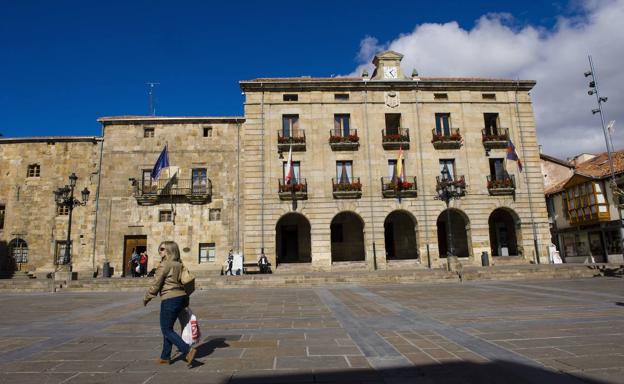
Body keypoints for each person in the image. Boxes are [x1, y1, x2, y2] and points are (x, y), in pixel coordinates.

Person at [143, 241, 197, 366]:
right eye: (159, 248)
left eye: (162, 249)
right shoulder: (179, 264)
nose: (159, 251)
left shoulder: (164, 265)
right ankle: (165, 357)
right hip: (182, 297)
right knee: (168, 328)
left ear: (168, 250)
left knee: (166, 329)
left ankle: (188, 350)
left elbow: (156, 283)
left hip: (170, 298)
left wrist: (147, 297)